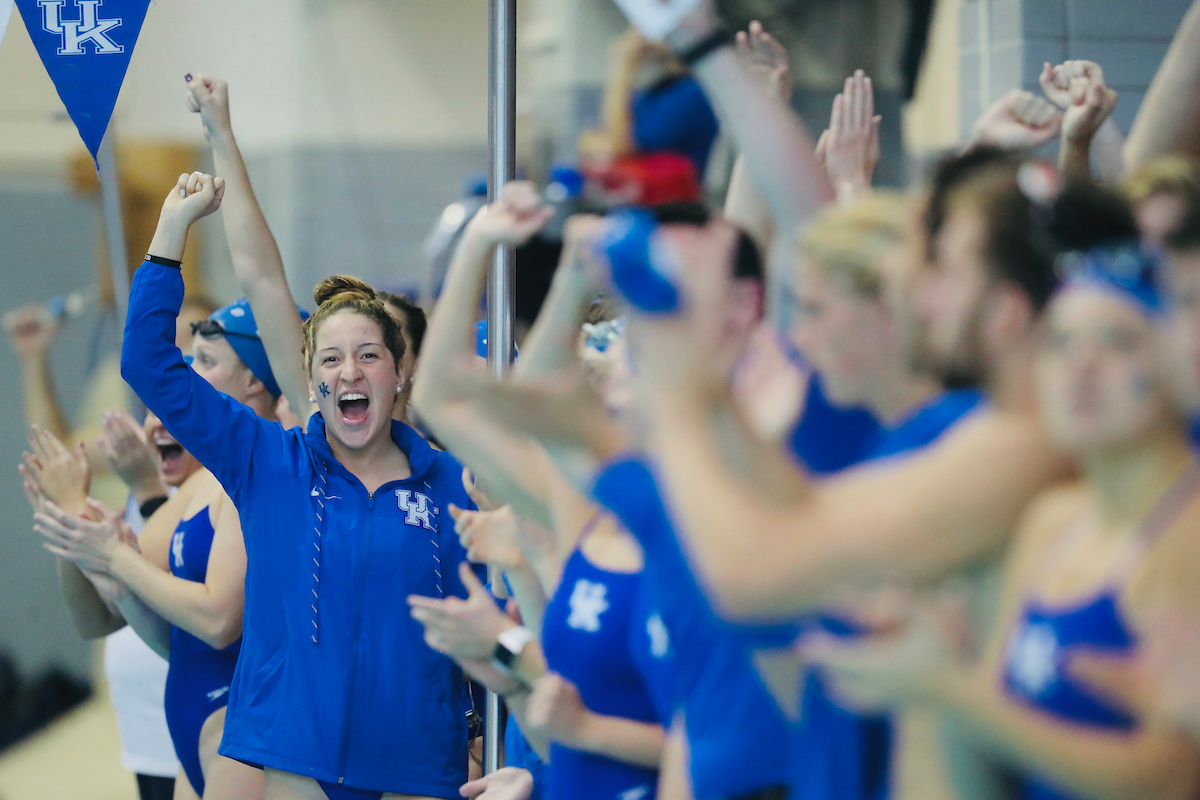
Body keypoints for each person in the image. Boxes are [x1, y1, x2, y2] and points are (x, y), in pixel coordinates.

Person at [122, 170, 478, 800]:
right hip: (295, 760)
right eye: (331, 359)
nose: (350, 371)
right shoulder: (267, 461)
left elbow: (498, 614)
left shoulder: (454, 484)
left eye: (369, 355)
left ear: (400, 375)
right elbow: (149, 364)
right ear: (311, 382)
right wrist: (170, 231)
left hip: (420, 769)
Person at [803, 240, 1200, 800]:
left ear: (1177, 364)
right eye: (1060, 344)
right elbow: (988, 760)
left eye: (1118, 342)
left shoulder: (1185, 536)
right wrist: (936, 675)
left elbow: (1171, 781)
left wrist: (953, 692)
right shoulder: (1051, 521)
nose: (1080, 368)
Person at [410, 182, 667, 800]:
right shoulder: (587, 515)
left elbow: (707, 738)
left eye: (615, 372)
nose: (595, 388)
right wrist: (482, 243)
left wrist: (509, 651)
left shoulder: (686, 532)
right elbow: (438, 396)